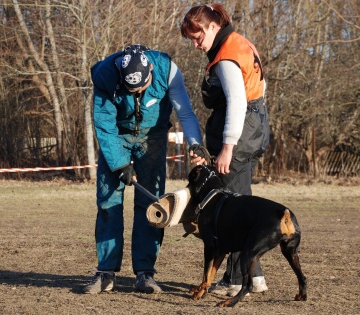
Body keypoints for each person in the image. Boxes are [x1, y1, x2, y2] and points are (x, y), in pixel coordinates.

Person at [83, 44, 203, 294]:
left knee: (151, 205)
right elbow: (104, 124)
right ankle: (106, 272)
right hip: (116, 136)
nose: (137, 92)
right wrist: (119, 163)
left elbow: (187, 114)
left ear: (150, 69)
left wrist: (195, 144)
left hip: (153, 138)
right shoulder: (105, 75)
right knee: (108, 202)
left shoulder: (168, 70)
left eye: (142, 87)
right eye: (131, 89)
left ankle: (145, 274)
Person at [181, 4, 271, 297]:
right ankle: (254, 277)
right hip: (255, 126)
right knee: (242, 199)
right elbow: (260, 87)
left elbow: (236, 102)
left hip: (240, 133)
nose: (195, 44)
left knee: (231, 210)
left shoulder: (226, 57)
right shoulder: (241, 43)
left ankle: (234, 279)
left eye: (197, 37)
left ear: (211, 28)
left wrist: (227, 147)